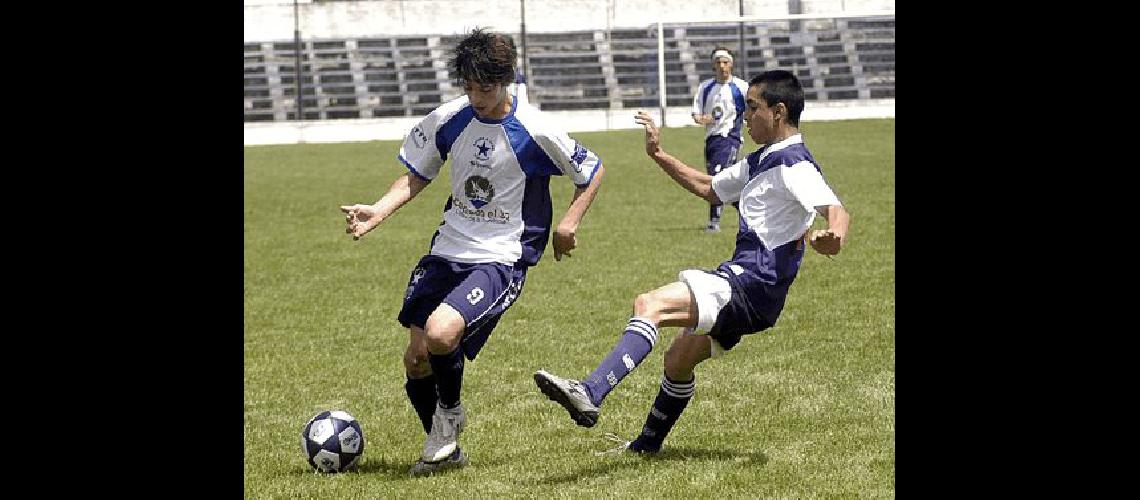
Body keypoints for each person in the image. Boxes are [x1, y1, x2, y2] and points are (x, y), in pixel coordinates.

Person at [533, 70, 849, 454]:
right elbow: (710, 189)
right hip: (758, 291)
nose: (744, 115)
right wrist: (658, 155)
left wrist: (833, 237)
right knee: (678, 360)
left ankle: (590, 391)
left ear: (779, 112)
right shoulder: (763, 159)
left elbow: (835, 209)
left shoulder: (794, 164)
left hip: (751, 282)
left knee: (650, 305)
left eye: (751, 107)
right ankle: (646, 448)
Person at [340, 28, 605, 475]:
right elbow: (416, 174)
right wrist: (377, 212)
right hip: (448, 248)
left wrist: (568, 224)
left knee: (442, 334)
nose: (477, 97)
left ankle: (451, 414)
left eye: (485, 88)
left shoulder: (535, 129)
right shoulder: (451, 119)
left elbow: (591, 170)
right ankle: (444, 447)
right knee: (417, 357)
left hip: (501, 256)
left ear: (507, 80)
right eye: (469, 87)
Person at [690, 47, 750, 233]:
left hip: (730, 138)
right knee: (722, 181)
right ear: (713, 65)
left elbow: (752, 109)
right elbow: (696, 113)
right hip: (712, 140)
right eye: (718, 63)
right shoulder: (706, 87)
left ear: (731, 64)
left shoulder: (741, 87)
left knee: (718, 178)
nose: (722, 66)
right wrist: (702, 119)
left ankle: (714, 222)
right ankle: (750, 212)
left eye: (725, 62)